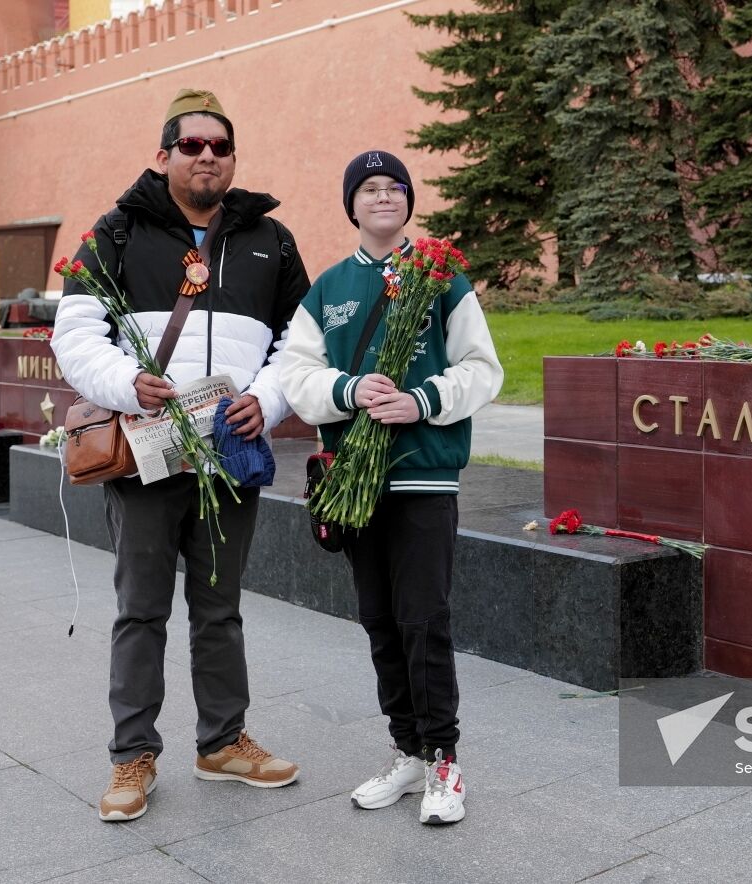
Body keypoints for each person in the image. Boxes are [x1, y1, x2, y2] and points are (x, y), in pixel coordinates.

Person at [51, 88, 310, 822]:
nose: (206, 156)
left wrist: (270, 400)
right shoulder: (118, 233)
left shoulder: (271, 240)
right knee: (140, 610)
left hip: (229, 450)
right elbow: (73, 335)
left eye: (219, 147)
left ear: (232, 158)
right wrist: (127, 385)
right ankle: (133, 757)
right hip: (148, 450)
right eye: (191, 145)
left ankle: (222, 742)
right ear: (162, 155)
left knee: (219, 608)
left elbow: (303, 341)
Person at [279, 150, 502, 825]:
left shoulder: (443, 279)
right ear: (352, 205)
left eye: (394, 188)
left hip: (423, 478)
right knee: (378, 620)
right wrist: (347, 390)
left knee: (423, 620)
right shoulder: (330, 288)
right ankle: (407, 750)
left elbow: (482, 369)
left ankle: (444, 762)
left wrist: (424, 400)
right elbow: (296, 373)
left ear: (409, 202)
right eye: (369, 189)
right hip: (355, 485)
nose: (383, 197)